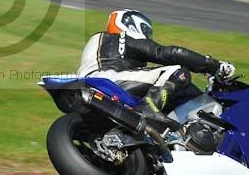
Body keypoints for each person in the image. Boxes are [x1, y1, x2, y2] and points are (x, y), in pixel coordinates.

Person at [76, 9, 236, 127]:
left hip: (94, 85)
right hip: (107, 79)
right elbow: (169, 53)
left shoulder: (103, 43)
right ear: (130, 24)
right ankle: (150, 108)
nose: (147, 36)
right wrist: (213, 65)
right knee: (177, 71)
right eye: (146, 31)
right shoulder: (121, 37)